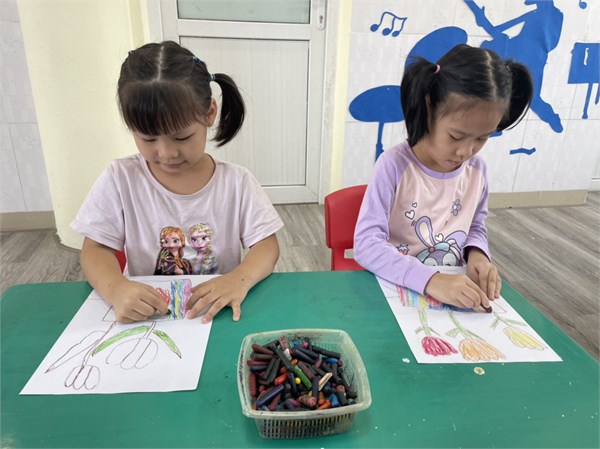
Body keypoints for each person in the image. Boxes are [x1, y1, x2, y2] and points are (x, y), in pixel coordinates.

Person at [71, 41, 283, 324]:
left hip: (215, 315)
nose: (167, 153)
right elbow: (95, 250)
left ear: (209, 113)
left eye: (181, 137)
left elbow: (267, 246)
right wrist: (116, 288)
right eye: (148, 139)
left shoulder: (237, 182)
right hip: (147, 318)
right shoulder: (120, 178)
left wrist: (239, 279)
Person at [354, 44, 533, 312]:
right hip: (396, 293)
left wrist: (478, 254)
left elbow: (475, 227)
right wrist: (431, 280)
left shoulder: (477, 171)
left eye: (482, 138)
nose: (466, 151)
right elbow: (367, 245)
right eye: (456, 136)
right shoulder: (393, 165)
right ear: (430, 107)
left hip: (452, 296)